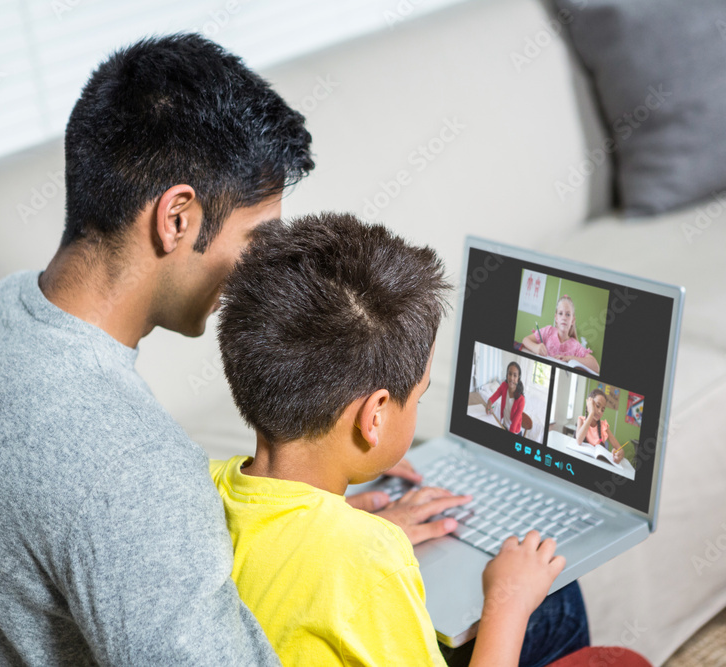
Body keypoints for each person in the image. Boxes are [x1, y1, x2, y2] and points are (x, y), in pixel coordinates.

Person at [0, 35, 456, 666]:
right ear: (177, 218)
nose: (264, 268)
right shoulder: (132, 467)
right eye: (257, 236)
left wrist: (324, 542)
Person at [211, 213, 588, 666]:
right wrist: (507, 602)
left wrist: (347, 525)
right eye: (419, 398)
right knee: (560, 602)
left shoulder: (208, 486)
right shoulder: (372, 562)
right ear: (373, 418)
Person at [522, 295, 600, 373]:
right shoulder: (548, 331)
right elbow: (525, 340)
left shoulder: (576, 346)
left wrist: (570, 358)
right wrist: (535, 347)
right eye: (560, 313)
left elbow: (596, 367)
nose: (564, 317)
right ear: (556, 318)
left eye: (568, 314)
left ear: (573, 320)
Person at [575, 388, 625, 464]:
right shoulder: (581, 420)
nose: (599, 411)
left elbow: (620, 449)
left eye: (602, 410)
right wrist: (591, 413)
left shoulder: (604, 426)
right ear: (589, 404)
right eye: (597, 406)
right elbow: (579, 440)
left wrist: (619, 454)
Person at [487, 360, 526, 433]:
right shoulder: (504, 386)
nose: (511, 378)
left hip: (514, 431)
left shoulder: (521, 400)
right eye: (510, 374)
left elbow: (514, 424)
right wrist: (489, 403)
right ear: (507, 375)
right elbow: (493, 397)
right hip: (504, 425)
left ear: (518, 379)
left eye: (515, 375)